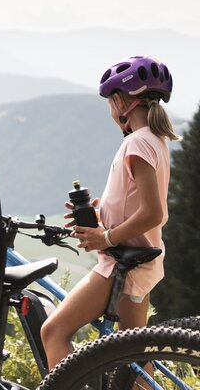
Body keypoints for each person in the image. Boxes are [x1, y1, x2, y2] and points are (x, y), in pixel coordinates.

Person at [41, 55, 180, 370]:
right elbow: (136, 202)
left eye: (109, 103)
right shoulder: (153, 141)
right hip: (139, 261)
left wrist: (105, 236)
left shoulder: (136, 144)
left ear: (120, 102)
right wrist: (99, 212)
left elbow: (153, 213)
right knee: (133, 359)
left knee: (53, 332)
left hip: (120, 261)